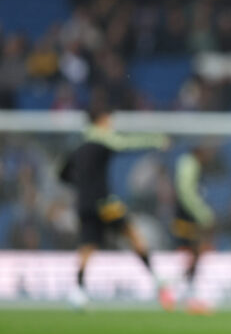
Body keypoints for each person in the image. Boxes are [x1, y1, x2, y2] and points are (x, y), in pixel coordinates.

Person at [59, 105, 173, 310]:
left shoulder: (77, 148)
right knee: (132, 234)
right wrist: (157, 141)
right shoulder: (102, 141)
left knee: (88, 246)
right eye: (108, 120)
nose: (111, 124)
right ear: (101, 120)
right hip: (104, 203)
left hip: (84, 203)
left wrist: (83, 184)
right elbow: (125, 144)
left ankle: (78, 290)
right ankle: (156, 278)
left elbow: (63, 175)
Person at [171, 143, 217, 314]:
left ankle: (185, 293)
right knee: (193, 253)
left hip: (186, 216)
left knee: (194, 254)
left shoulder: (189, 164)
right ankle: (182, 294)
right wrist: (203, 214)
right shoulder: (190, 164)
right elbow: (186, 192)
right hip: (187, 217)